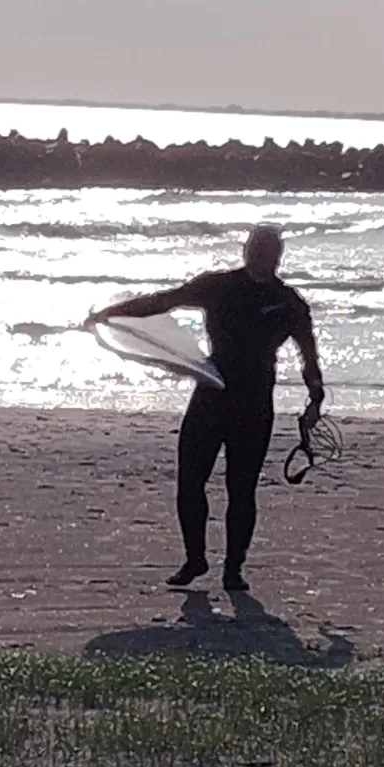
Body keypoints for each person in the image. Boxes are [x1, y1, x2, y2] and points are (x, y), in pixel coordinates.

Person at [88, 225, 323, 593]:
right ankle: (195, 558)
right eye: (255, 249)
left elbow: (308, 354)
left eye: (267, 251)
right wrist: (110, 313)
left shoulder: (289, 302)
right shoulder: (218, 286)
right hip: (212, 393)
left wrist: (316, 397)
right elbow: (164, 301)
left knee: (241, 490)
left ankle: (233, 570)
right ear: (245, 250)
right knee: (189, 481)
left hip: (255, 401)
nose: (260, 256)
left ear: (279, 256)